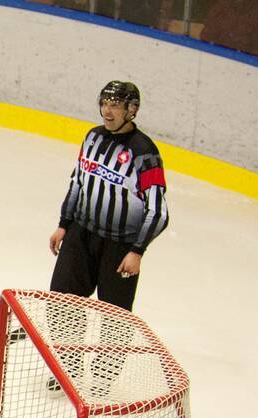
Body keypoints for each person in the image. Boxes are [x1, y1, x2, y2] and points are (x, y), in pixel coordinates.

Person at [46, 80, 168, 392]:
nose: (107, 110)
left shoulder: (145, 153)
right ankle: (66, 371)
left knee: (115, 320)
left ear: (132, 110)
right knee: (62, 303)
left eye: (115, 105)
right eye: (104, 103)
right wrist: (64, 224)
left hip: (119, 247)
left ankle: (101, 381)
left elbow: (159, 212)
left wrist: (137, 250)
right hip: (81, 236)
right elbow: (78, 183)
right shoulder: (92, 137)